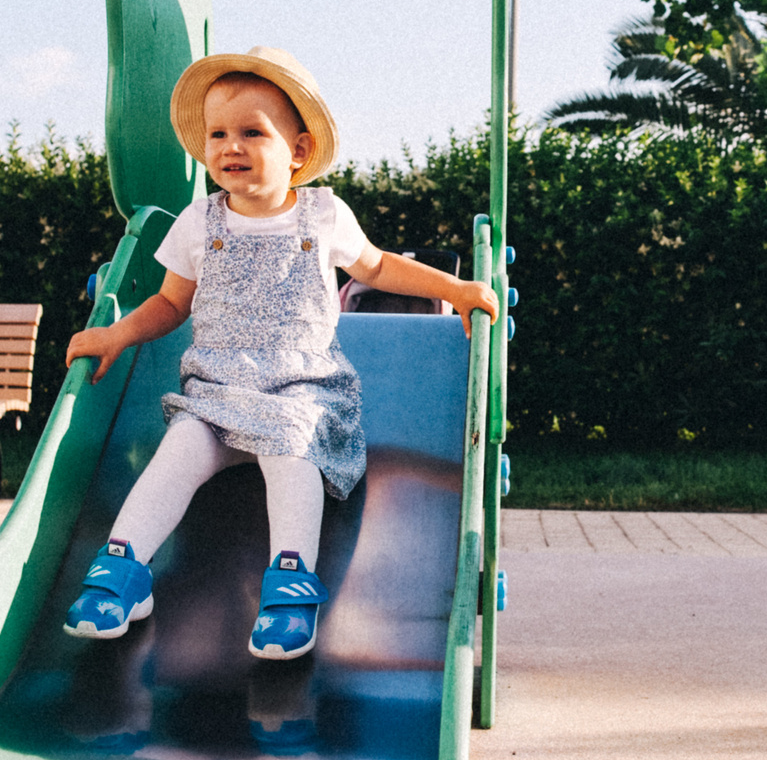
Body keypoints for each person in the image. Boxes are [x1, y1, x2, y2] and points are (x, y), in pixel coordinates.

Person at [60, 46, 497, 660]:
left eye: (251, 132)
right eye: (217, 133)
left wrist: (454, 289)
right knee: (177, 451)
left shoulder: (322, 214)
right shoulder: (197, 221)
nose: (229, 146)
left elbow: (376, 265)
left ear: (297, 150)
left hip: (301, 389)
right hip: (215, 392)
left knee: (293, 453)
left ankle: (290, 584)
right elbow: (169, 304)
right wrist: (116, 334)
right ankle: (123, 571)